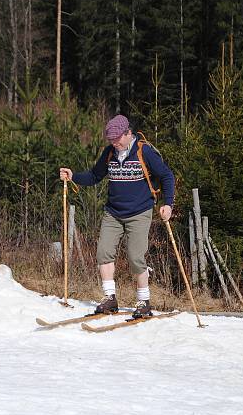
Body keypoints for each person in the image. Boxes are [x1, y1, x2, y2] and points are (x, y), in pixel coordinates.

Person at [59, 114, 175, 318]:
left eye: (117, 139)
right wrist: (73, 176)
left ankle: (144, 301)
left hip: (139, 212)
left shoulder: (143, 151)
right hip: (113, 212)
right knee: (103, 252)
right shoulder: (110, 152)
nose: (114, 143)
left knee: (135, 256)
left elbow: (166, 175)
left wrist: (168, 204)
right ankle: (110, 299)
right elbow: (95, 175)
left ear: (128, 133)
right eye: (111, 140)